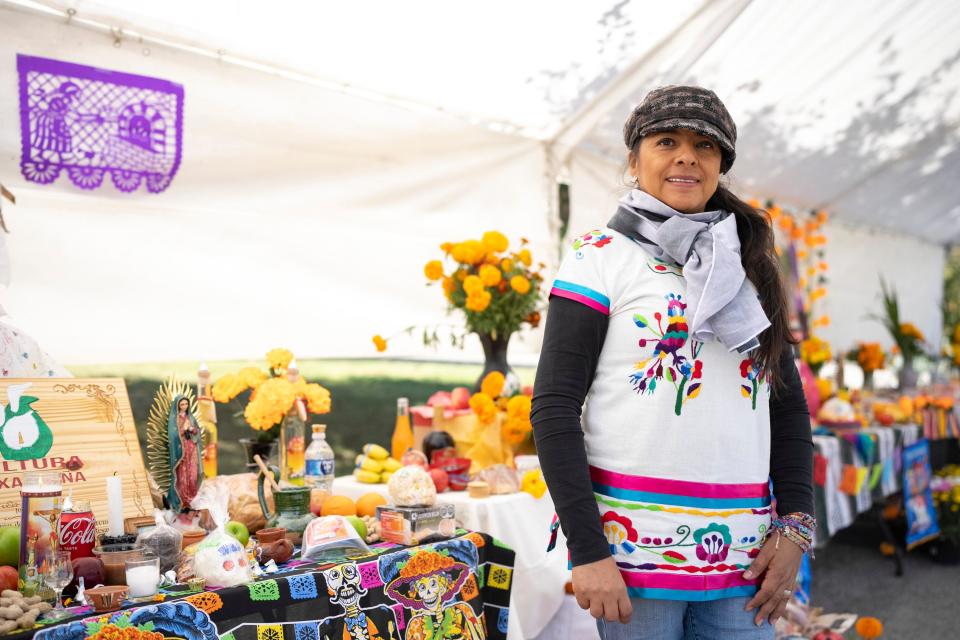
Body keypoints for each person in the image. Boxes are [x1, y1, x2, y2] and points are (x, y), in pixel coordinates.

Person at [532, 85, 814, 639]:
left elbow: (787, 409)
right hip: (632, 562)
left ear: (720, 166)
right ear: (635, 160)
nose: (687, 156)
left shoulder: (751, 268)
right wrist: (587, 551)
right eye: (667, 141)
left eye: (704, 146)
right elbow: (554, 407)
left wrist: (796, 530)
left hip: (746, 563)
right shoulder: (601, 257)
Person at [167, 395, 203, 512]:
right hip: (180, 452)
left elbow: (197, 432)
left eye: (186, 404)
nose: (184, 406)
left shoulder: (190, 417)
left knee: (192, 474)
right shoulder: (175, 419)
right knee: (182, 475)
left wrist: (191, 429)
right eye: (182, 404)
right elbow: (173, 435)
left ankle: (191, 499)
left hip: (191, 449)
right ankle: (182, 500)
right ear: (178, 406)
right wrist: (183, 429)